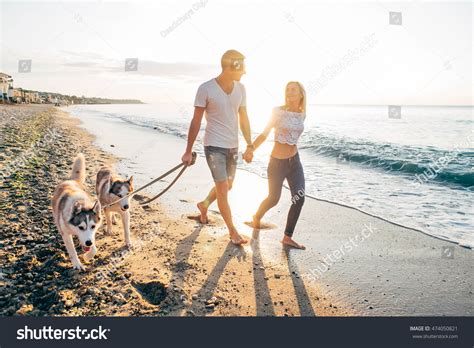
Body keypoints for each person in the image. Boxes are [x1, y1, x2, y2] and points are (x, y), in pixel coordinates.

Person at [181, 50, 254, 245]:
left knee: (228, 186)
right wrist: (188, 150)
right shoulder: (206, 88)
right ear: (230, 66)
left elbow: (244, 118)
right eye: (242, 67)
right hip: (213, 146)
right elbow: (196, 121)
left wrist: (249, 144)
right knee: (223, 188)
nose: (244, 72)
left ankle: (204, 205)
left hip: (233, 147)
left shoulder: (241, 88)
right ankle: (233, 232)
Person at [248, 81, 307, 249]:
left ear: (301, 94)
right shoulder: (277, 112)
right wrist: (251, 148)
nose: (289, 92)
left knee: (299, 198)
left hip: (295, 162)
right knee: (273, 199)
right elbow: (265, 133)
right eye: (287, 89)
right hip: (277, 163)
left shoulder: (302, 114)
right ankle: (257, 216)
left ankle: (287, 237)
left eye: (293, 89)